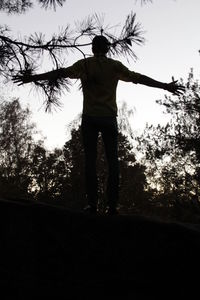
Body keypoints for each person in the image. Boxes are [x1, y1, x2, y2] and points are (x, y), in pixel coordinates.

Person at [13, 35, 185, 215]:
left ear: (93, 48)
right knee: (113, 163)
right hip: (109, 118)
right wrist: (165, 86)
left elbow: (60, 73)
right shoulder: (115, 66)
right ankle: (112, 206)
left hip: (90, 119)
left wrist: (32, 78)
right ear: (107, 49)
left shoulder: (84, 65)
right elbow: (139, 78)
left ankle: (93, 205)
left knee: (90, 162)